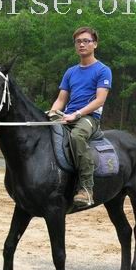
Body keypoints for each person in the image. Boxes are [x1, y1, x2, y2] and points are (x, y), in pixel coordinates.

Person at [48, 27, 112, 206]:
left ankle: (86, 189)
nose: (82, 44)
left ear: (95, 44)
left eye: (86, 41)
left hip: (89, 118)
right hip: (68, 115)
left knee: (77, 136)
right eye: (78, 41)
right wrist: (53, 113)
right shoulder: (70, 72)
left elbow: (100, 100)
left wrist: (76, 114)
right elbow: (61, 99)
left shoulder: (103, 70)